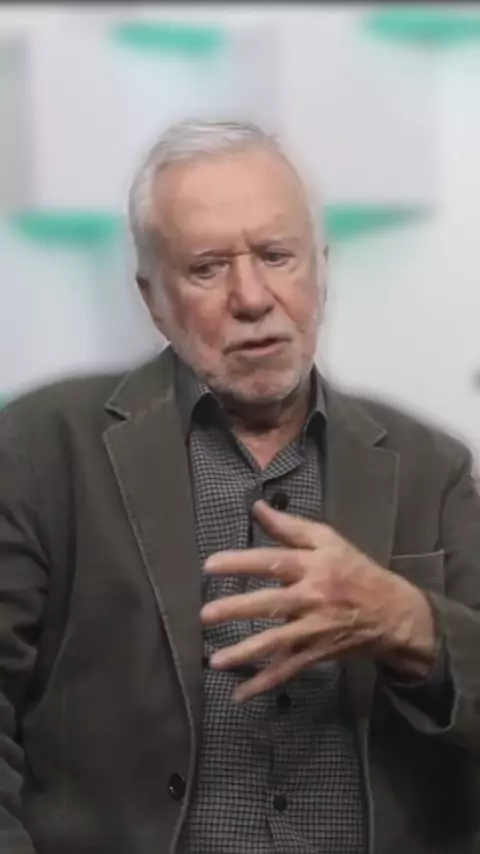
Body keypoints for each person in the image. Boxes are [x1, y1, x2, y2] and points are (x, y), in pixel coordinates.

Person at [1, 118, 479, 854]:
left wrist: (408, 622)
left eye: (276, 256)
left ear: (321, 268)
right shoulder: (41, 449)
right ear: (152, 298)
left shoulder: (430, 467)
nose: (251, 297)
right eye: (207, 269)